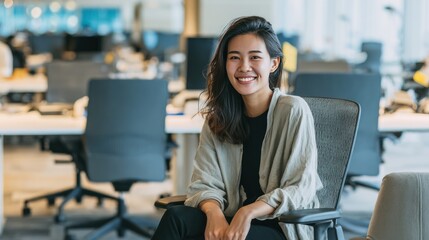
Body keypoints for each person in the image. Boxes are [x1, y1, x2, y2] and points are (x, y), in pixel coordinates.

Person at [152, 16, 322, 240]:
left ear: (274, 63)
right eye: (234, 57)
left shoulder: (293, 110)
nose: (244, 67)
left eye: (255, 57)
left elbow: (301, 188)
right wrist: (214, 213)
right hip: (230, 217)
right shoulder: (218, 118)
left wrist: (248, 211)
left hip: (280, 227)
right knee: (176, 218)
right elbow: (204, 182)